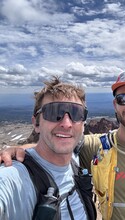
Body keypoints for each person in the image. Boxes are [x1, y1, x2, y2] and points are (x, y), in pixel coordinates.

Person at [0, 71, 125, 220]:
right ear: (115, 105)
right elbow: (55, 146)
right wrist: (18, 151)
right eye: (123, 99)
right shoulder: (95, 147)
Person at [0, 76, 96, 219]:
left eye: (76, 113)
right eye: (54, 112)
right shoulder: (12, 178)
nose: (67, 123)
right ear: (36, 124)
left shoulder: (75, 158)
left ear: (83, 124)